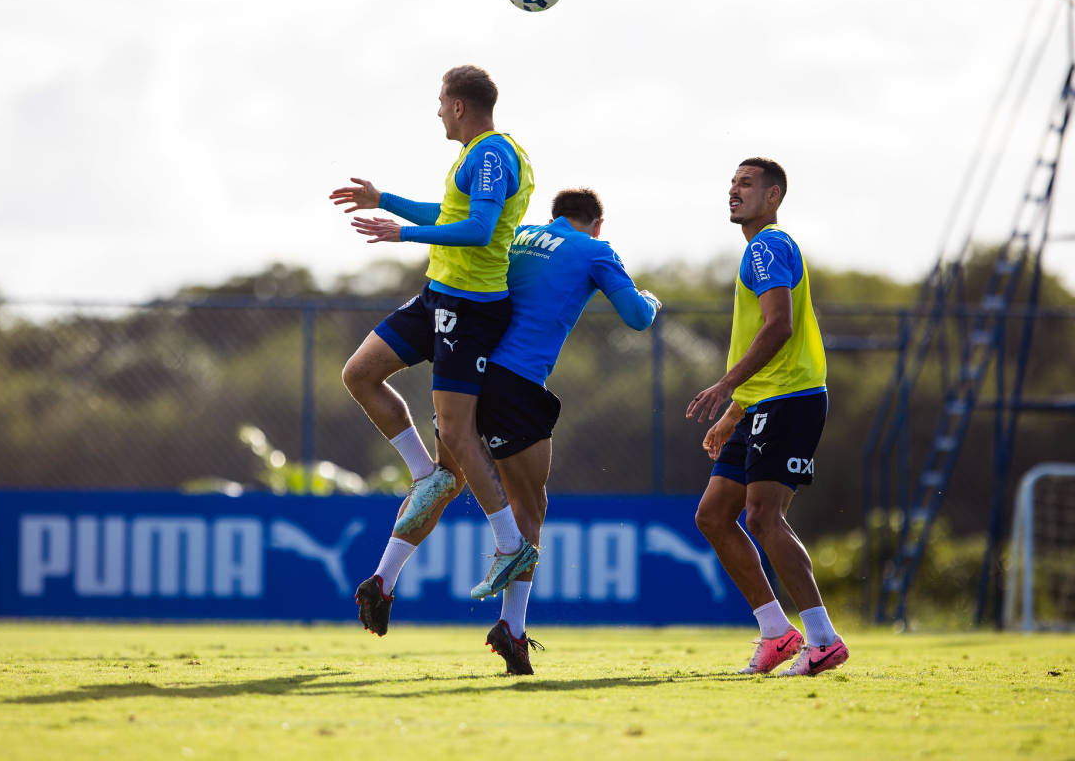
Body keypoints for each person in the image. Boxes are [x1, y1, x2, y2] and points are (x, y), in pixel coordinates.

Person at [356, 188, 661, 675]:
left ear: (552, 217)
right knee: (530, 506)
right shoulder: (595, 250)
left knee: (445, 480)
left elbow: (448, 217)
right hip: (516, 385)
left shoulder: (517, 234)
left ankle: (383, 578)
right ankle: (512, 629)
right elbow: (636, 318)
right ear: (597, 225)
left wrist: (388, 202)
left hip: (466, 377)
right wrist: (649, 298)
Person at [329, 65, 539, 631]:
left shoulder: (493, 155)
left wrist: (403, 235)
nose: (438, 111)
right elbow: (450, 216)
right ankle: (427, 476)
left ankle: (508, 542)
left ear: (460, 105)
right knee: (360, 373)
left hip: (471, 309)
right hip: (438, 297)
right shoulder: (474, 154)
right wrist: (386, 201)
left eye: (441, 102)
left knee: (457, 433)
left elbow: (477, 228)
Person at [686, 157, 848, 677]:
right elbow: (772, 338)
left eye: (747, 184)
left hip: (792, 400)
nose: (734, 191)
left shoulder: (768, 246)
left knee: (762, 516)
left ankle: (823, 639)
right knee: (713, 515)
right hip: (762, 403)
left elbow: (779, 328)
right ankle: (778, 633)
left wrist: (726, 384)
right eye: (732, 183)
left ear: (774, 196)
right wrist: (735, 411)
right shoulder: (759, 251)